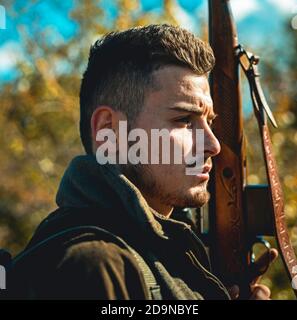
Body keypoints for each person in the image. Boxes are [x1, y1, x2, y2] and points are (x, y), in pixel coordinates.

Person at [9, 24, 277, 300]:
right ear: (108, 131)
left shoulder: (161, 254)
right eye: (183, 120)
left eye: (208, 121)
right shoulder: (92, 267)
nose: (213, 145)